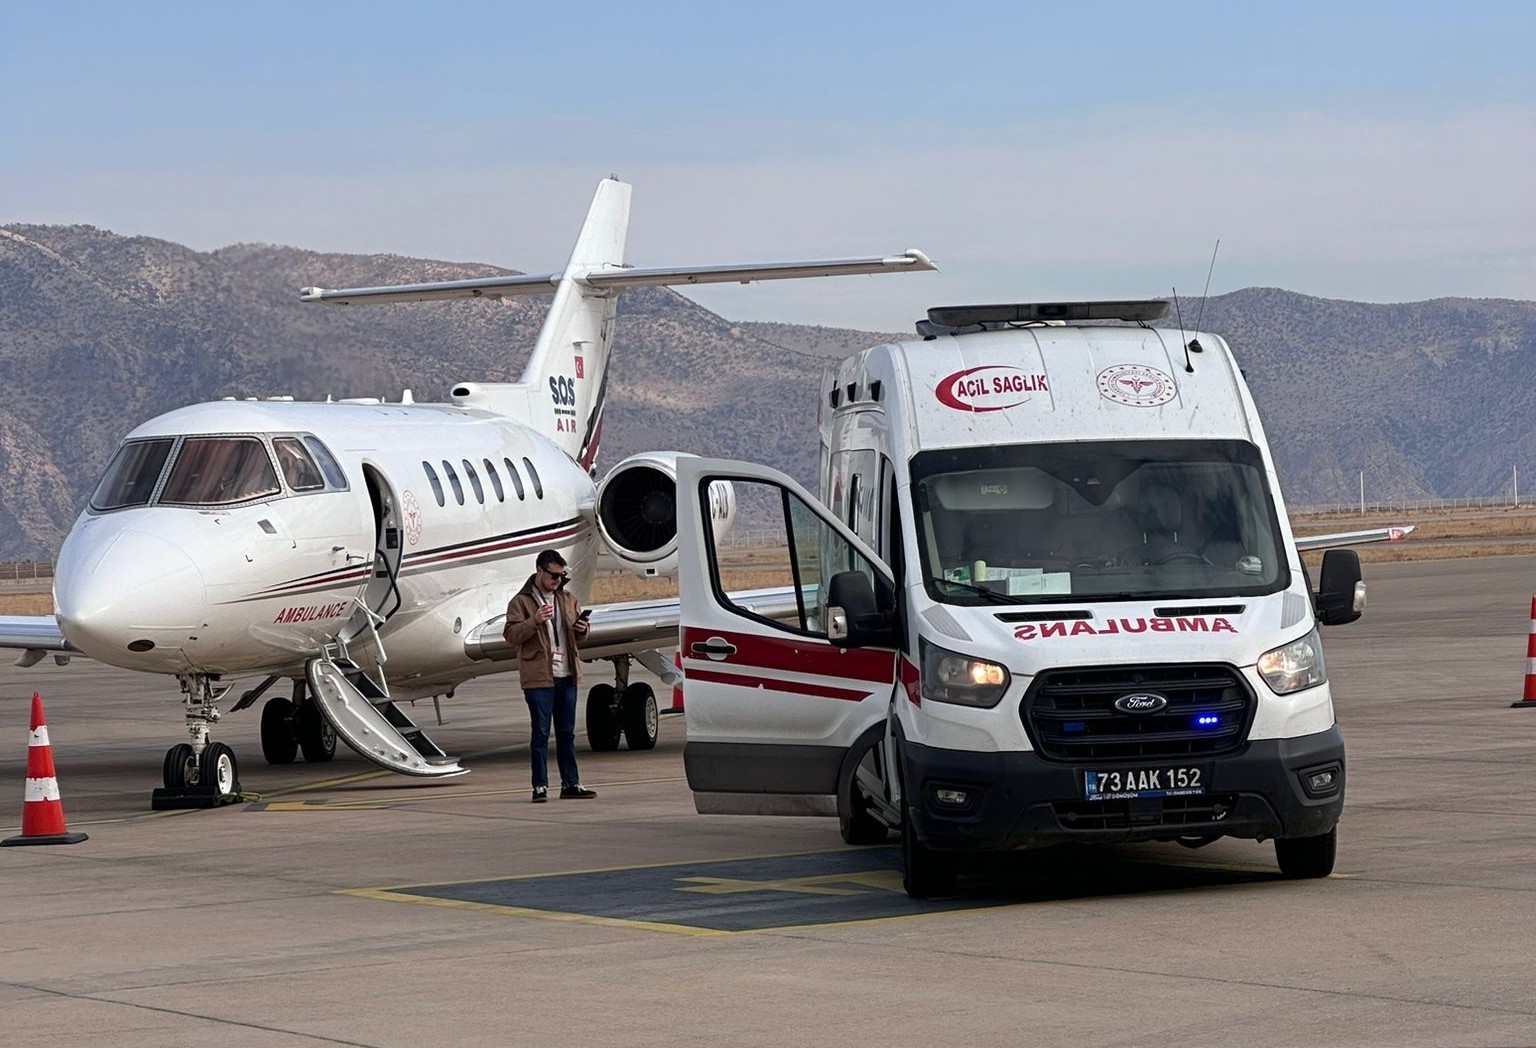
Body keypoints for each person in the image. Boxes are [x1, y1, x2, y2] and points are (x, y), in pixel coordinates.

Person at [503, 549, 596, 802]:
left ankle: (571, 784)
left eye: (561, 575)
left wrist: (582, 629)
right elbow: (511, 635)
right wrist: (534, 620)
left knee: (567, 733)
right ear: (539, 571)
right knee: (541, 735)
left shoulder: (567, 599)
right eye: (553, 575)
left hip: (567, 674)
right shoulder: (520, 602)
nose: (557, 580)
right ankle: (540, 786)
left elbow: (578, 636)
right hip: (538, 678)